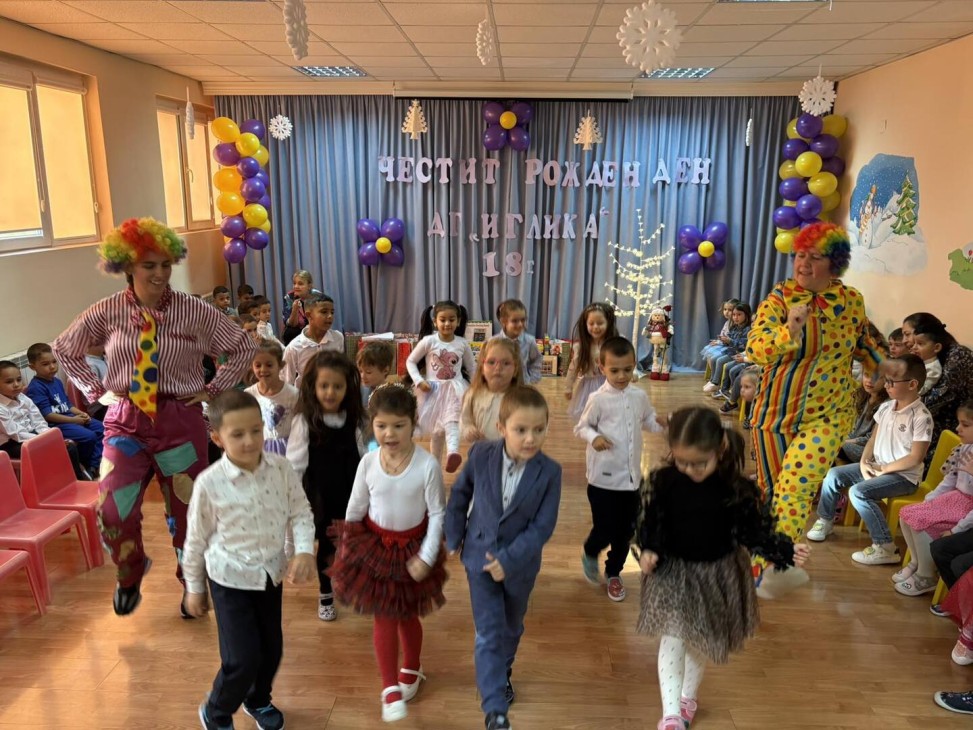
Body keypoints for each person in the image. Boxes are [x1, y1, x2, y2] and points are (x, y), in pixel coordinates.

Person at [52, 217, 255, 616]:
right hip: (125, 420)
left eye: (165, 264)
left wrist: (213, 389)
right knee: (112, 509)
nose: (160, 273)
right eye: (149, 265)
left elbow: (243, 347)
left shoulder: (194, 311)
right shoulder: (107, 311)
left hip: (179, 419)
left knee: (187, 513)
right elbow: (64, 348)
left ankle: (192, 584)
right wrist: (95, 391)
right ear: (127, 265)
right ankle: (129, 572)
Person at [636, 407, 809, 730]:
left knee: (699, 641)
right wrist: (649, 548)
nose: (690, 470)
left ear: (720, 449)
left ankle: (687, 697)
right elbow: (652, 521)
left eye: (699, 463)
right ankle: (671, 714)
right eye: (681, 461)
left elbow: (752, 532)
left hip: (717, 574)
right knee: (673, 637)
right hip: (674, 573)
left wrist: (784, 551)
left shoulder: (735, 490)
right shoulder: (663, 481)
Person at [746, 222, 883, 592]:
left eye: (815, 257)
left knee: (794, 488)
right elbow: (755, 350)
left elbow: (862, 343)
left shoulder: (851, 301)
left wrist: (883, 366)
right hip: (775, 415)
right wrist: (789, 329)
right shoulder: (779, 299)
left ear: (834, 264)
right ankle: (766, 558)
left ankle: (769, 566)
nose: (803, 264)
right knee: (773, 493)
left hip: (829, 414)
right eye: (800, 255)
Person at [182, 390, 316, 730]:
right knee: (241, 658)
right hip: (229, 579)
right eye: (238, 434)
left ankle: (257, 699)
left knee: (271, 650)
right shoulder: (209, 483)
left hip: (270, 574)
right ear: (217, 438)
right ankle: (216, 710)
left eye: (256, 430)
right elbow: (195, 539)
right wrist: (194, 588)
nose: (250, 440)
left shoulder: (281, 469)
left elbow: (301, 511)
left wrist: (303, 550)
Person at [445, 386, 561, 730]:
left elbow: (542, 527)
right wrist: (453, 535)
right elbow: (460, 493)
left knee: (511, 626)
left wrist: (509, 560)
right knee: (488, 632)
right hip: (478, 558)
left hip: (519, 567)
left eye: (538, 429)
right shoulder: (481, 454)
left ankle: (503, 669)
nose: (530, 438)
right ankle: (495, 710)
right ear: (501, 427)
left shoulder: (550, 472)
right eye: (521, 429)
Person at [330, 384, 447, 724]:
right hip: (376, 549)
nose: (389, 433)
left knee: (407, 613)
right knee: (385, 614)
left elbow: (437, 514)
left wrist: (427, 556)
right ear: (372, 425)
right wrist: (347, 547)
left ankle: (412, 664)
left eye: (399, 425)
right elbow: (355, 509)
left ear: (413, 424)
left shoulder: (427, 465)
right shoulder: (368, 463)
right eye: (381, 426)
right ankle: (389, 687)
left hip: (413, 550)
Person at [806, 355, 932, 566]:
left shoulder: (922, 416)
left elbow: (915, 457)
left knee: (859, 492)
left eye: (891, 382)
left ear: (912, 384)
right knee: (834, 475)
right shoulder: (886, 407)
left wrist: (884, 469)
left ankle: (885, 547)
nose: (887, 385)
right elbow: (873, 439)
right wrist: (865, 462)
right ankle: (825, 520)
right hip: (878, 467)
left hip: (903, 477)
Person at [575, 337, 664, 602]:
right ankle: (591, 551)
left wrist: (664, 425)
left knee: (625, 532)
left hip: (632, 480)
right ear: (601, 367)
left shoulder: (639, 396)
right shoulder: (597, 399)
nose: (622, 376)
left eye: (627, 369)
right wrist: (594, 437)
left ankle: (614, 572)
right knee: (604, 529)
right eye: (614, 370)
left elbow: (648, 420)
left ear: (634, 364)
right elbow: (582, 427)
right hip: (602, 480)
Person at [286, 351, 363, 621]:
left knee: (351, 542)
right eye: (324, 386)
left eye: (337, 386)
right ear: (313, 387)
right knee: (328, 547)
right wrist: (292, 502)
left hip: (352, 494)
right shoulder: (305, 421)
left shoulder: (353, 418)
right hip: (321, 496)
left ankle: (346, 577)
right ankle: (325, 591)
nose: (331, 392)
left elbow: (365, 455)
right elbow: (294, 465)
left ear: (347, 388)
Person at [894, 401, 973, 596]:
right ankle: (917, 562)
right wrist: (929, 500)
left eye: (965, 425)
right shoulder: (964, 449)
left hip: (966, 510)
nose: (958, 428)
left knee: (921, 523)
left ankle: (926, 575)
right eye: (959, 423)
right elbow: (950, 480)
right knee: (907, 515)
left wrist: (956, 529)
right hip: (954, 499)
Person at [406, 300, 476, 473]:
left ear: (458, 321)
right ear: (435, 321)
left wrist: (477, 388)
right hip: (432, 391)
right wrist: (419, 380)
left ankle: (453, 452)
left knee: (452, 420)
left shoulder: (462, 343)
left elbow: (472, 368)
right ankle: (435, 466)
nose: (447, 323)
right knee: (437, 432)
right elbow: (411, 361)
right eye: (443, 320)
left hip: (455, 390)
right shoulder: (429, 341)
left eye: (451, 319)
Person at [901, 313, 973, 471]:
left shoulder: (958, 356)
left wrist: (904, 406)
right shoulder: (930, 356)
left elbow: (938, 399)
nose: (905, 341)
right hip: (929, 419)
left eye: (907, 334)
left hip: (952, 424)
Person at [0, 360, 89, 479]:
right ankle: (53, 482)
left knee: (69, 447)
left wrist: (50, 436)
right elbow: (16, 433)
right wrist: (45, 441)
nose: (16, 384)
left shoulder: (23, 398)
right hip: (12, 443)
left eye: (19, 379)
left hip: (32, 435)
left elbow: (38, 421)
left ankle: (76, 479)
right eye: (9, 382)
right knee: (49, 451)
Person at [25, 342, 104, 476]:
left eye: (54, 362)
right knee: (89, 436)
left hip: (70, 418)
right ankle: (85, 464)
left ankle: (94, 463)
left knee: (101, 428)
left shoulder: (57, 381)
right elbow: (47, 415)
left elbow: (67, 405)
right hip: (56, 424)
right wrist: (74, 420)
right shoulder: (36, 387)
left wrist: (81, 413)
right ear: (32, 367)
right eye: (45, 364)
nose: (52, 366)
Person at [461, 338, 524, 443]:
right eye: (491, 362)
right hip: (481, 450)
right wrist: (468, 430)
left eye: (506, 363)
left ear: (515, 369)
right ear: (482, 367)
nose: (498, 368)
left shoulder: (522, 399)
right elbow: (465, 420)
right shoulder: (473, 394)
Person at [563, 302, 618, 423]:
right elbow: (573, 367)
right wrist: (568, 387)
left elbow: (625, 360)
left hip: (610, 385)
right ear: (585, 324)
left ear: (608, 323)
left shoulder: (615, 343)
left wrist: (633, 372)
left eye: (600, 323)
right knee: (590, 417)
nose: (595, 327)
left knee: (609, 417)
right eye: (591, 323)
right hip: (588, 388)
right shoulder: (581, 347)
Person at [245, 341, 299, 456]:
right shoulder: (249, 395)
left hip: (289, 449)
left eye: (269, 365)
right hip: (261, 449)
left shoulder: (293, 394)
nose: (263, 369)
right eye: (258, 365)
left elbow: (300, 425)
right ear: (251, 366)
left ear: (281, 365)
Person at [281, 295, 344, 387]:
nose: (330, 316)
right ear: (309, 315)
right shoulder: (294, 347)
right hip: (305, 394)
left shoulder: (338, 338)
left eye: (332, 312)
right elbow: (286, 382)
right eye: (324, 312)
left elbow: (340, 368)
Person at [835, 369, 889, 464]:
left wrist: (845, 441)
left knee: (833, 445)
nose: (869, 381)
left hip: (867, 450)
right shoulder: (860, 394)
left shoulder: (887, 405)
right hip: (849, 441)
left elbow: (870, 439)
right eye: (866, 375)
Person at [703, 302, 751, 394]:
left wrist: (730, 341)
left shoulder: (747, 329)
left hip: (738, 354)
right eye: (734, 315)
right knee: (713, 359)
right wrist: (724, 340)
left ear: (746, 315)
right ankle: (713, 380)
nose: (735, 317)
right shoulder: (734, 327)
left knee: (720, 361)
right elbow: (730, 339)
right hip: (731, 351)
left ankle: (716, 383)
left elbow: (743, 346)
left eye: (739, 315)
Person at [493, 299, 542, 385]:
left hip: (523, 386)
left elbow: (537, 360)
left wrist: (532, 379)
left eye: (523, 320)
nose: (520, 324)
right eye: (514, 321)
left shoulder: (529, 341)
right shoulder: (493, 342)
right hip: (500, 387)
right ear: (503, 321)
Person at [281, 269, 324, 345]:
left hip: (314, 327)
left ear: (309, 286)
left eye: (300, 284)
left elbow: (322, 317)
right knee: (290, 332)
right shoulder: (289, 297)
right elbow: (291, 324)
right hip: (296, 331)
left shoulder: (318, 296)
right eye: (294, 283)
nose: (296, 286)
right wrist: (295, 310)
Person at [699, 298, 739, 365]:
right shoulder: (727, 323)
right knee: (708, 350)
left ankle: (715, 370)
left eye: (730, 310)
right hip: (723, 344)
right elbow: (722, 335)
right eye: (725, 309)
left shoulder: (736, 325)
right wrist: (717, 341)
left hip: (728, 347)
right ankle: (712, 370)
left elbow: (731, 340)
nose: (726, 312)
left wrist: (719, 342)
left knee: (713, 358)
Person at [358, 341, 395, 409]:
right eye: (360, 371)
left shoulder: (391, 395)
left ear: (385, 370)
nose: (362, 376)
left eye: (368, 372)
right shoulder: (359, 390)